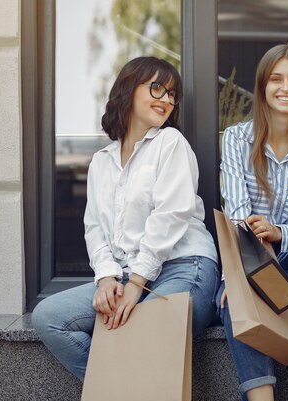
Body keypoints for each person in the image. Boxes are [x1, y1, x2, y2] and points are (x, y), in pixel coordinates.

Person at [32, 56, 220, 381]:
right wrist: (106, 278)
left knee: (148, 334)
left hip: (185, 267)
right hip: (126, 273)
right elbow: (94, 228)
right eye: (157, 88)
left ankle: (126, 396)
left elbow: (171, 216)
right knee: (49, 317)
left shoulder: (170, 144)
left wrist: (135, 284)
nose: (166, 100)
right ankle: (120, 395)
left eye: (172, 94)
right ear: (129, 89)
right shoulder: (101, 162)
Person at [216, 43, 288, 401]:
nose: (285, 88)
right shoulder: (235, 139)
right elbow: (237, 214)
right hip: (247, 264)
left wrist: (279, 233)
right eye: (276, 79)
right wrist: (240, 276)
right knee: (237, 305)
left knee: (277, 305)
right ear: (262, 86)